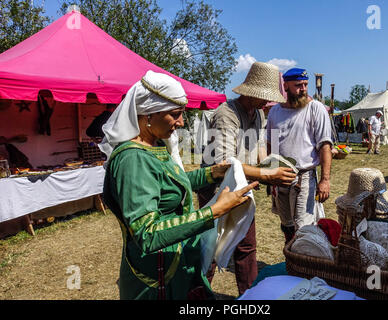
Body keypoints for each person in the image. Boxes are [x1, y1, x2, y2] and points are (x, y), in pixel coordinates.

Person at [99, 70, 259, 300]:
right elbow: (147, 233)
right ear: (147, 116)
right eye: (175, 114)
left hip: (174, 266)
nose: (181, 122)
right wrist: (214, 211)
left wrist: (212, 173)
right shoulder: (133, 160)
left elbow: (171, 183)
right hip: (155, 280)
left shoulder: (154, 146)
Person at [198, 61, 297, 295]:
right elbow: (224, 163)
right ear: (251, 92)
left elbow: (260, 146)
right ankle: (197, 295)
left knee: (247, 247)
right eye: (264, 97)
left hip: (242, 187)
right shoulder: (226, 115)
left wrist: (272, 167)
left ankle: (251, 296)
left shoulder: (259, 115)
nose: (267, 102)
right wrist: (266, 174)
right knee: (209, 247)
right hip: (216, 190)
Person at [265, 68, 333, 243]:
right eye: (298, 85)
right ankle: (292, 260)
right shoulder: (275, 112)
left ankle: (304, 265)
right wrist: (269, 176)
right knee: (286, 224)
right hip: (280, 177)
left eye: (305, 85)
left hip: (304, 177)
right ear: (285, 86)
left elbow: (325, 145)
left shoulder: (315, 109)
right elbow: (271, 145)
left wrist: (325, 180)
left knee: (303, 227)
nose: (303, 89)